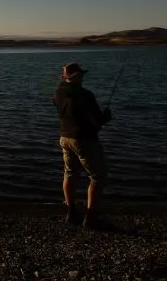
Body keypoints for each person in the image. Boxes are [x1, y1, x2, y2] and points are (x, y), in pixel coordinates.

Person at [53, 62, 112, 228]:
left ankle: (71, 213)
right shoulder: (86, 95)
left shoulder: (58, 92)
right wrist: (106, 117)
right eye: (81, 75)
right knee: (97, 176)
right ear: (78, 77)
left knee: (70, 173)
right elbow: (98, 119)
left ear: (65, 77)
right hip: (84, 140)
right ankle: (91, 217)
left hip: (65, 138)